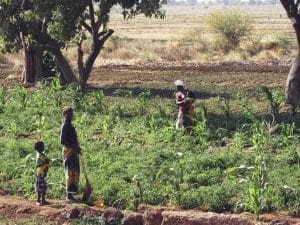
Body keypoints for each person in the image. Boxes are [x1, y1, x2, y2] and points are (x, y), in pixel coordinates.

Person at [60, 106, 81, 203]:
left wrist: (77, 148)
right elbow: (62, 141)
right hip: (69, 151)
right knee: (69, 172)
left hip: (74, 151)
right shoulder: (65, 125)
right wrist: (74, 146)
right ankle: (68, 195)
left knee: (74, 172)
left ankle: (72, 194)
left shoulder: (70, 125)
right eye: (69, 114)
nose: (71, 116)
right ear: (65, 115)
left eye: (72, 114)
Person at [35, 141, 50, 206]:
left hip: (43, 173)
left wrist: (46, 162)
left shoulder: (42, 155)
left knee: (43, 186)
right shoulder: (39, 156)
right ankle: (38, 200)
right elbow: (38, 165)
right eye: (42, 146)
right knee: (40, 186)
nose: (44, 147)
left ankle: (43, 200)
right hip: (40, 173)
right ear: (40, 148)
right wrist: (46, 163)